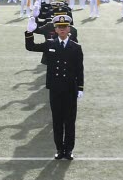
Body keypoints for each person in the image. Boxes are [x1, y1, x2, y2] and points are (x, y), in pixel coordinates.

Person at [25, 14, 84, 160]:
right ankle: (59, 149)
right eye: (59, 27)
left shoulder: (76, 47)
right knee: (57, 120)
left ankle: (69, 150)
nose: (62, 30)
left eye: (64, 27)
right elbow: (31, 47)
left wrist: (80, 88)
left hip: (70, 89)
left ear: (69, 28)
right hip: (55, 89)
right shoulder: (50, 44)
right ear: (56, 29)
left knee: (69, 121)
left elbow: (79, 69)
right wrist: (29, 32)